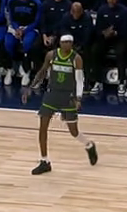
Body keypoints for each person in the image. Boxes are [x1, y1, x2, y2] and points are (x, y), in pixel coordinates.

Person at [24, 34, 99, 175]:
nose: (67, 44)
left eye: (70, 42)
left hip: (68, 96)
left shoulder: (76, 58)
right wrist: (30, 87)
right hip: (52, 94)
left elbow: (80, 80)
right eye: (65, 42)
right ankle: (44, 161)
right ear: (60, 43)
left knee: (73, 131)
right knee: (43, 127)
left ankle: (89, 145)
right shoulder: (51, 55)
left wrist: (78, 98)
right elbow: (42, 71)